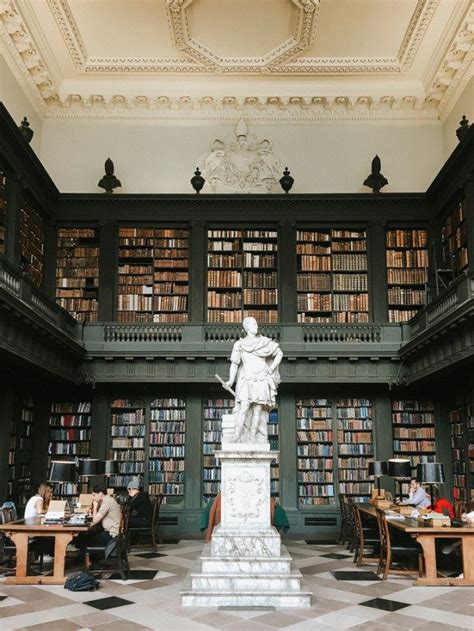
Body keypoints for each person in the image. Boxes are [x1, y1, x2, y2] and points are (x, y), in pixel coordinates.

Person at [224, 316, 283, 443]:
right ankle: (237, 435)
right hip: (247, 378)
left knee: (257, 410)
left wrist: (272, 368)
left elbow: (279, 353)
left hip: (261, 378)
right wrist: (230, 380)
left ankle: (252, 436)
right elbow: (234, 364)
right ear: (247, 327)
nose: (257, 326)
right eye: (255, 324)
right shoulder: (239, 344)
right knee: (244, 407)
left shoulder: (264, 342)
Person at [75, 484, 121, 554]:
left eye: (94, 495)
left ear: (100, 494)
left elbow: (95, 520)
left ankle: (85, 559)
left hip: (112, 535)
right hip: (110, 532)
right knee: (84, 535)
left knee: (84, 538)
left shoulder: (107, 502)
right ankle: (85, 557)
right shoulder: (107, 500)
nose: (93, 498)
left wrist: (95, 507)